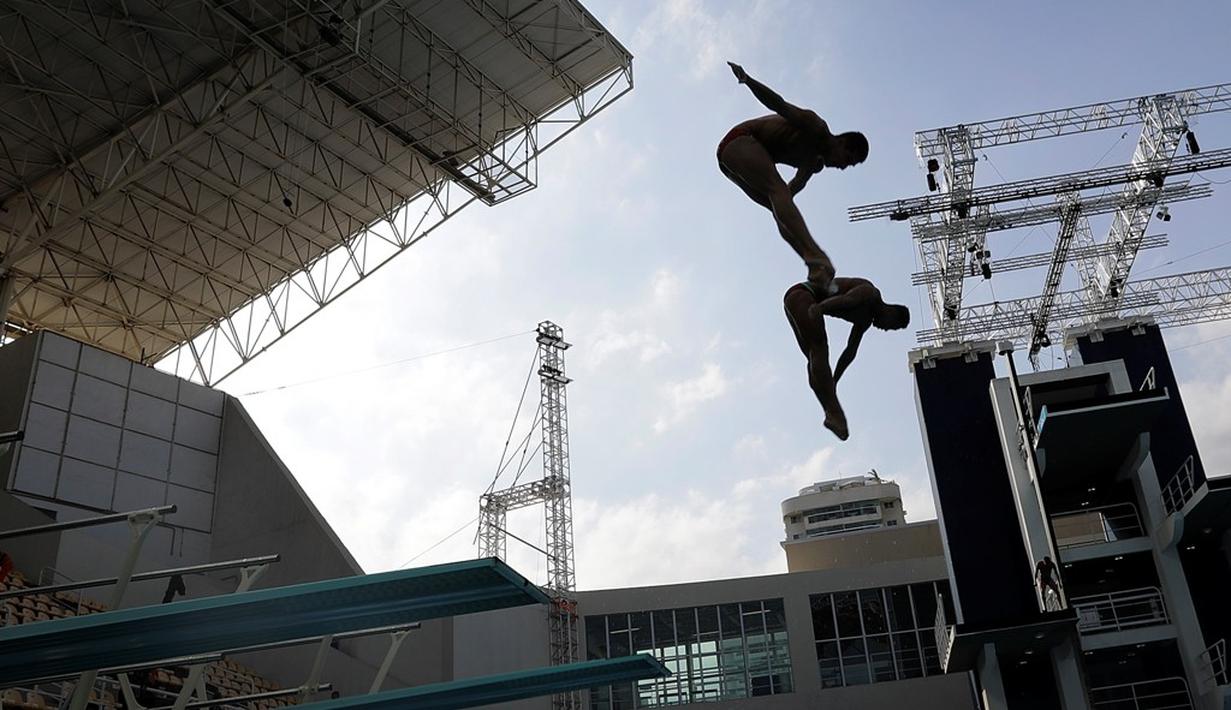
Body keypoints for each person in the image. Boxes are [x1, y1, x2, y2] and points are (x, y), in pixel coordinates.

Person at [720, 62, 869, 291]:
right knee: (775, 190)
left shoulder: (811, 165)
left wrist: (786, 211)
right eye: (847, 160)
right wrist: (748, 80)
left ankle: (816, 270)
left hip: (729, 163)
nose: (842, 167)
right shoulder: (816, 127)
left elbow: (787, 196)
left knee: (776, 204)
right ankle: (817, 258)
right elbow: (778, 104)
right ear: (841, 142)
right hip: (740, 140)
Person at [783, 277, 910, 440]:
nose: (885, 329)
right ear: (892, 313)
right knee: (819, 349)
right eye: (890, 326)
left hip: (795, 300)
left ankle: (830, 412)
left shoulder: (865, 321)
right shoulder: (871, 293)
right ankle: (835, 412)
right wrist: (819, 308)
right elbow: (845, 300)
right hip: (804, 295)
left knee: (813, 358)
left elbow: (850, 351)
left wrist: (835, 379)